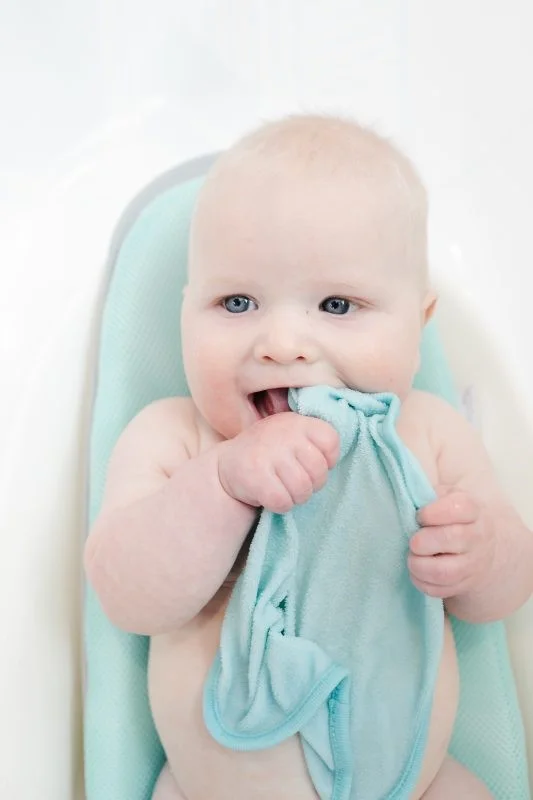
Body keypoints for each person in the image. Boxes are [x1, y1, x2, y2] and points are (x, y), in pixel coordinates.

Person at [84, 114, 533, 799]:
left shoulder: (431, 435)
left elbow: (503, 591)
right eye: (236, 302)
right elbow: (125, 593)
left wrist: (482, 553)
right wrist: (223, 485)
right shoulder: (177, 438)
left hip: (414, 784)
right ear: (184, 314)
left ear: (418, 320)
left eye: (335, 304)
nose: (283, 343)